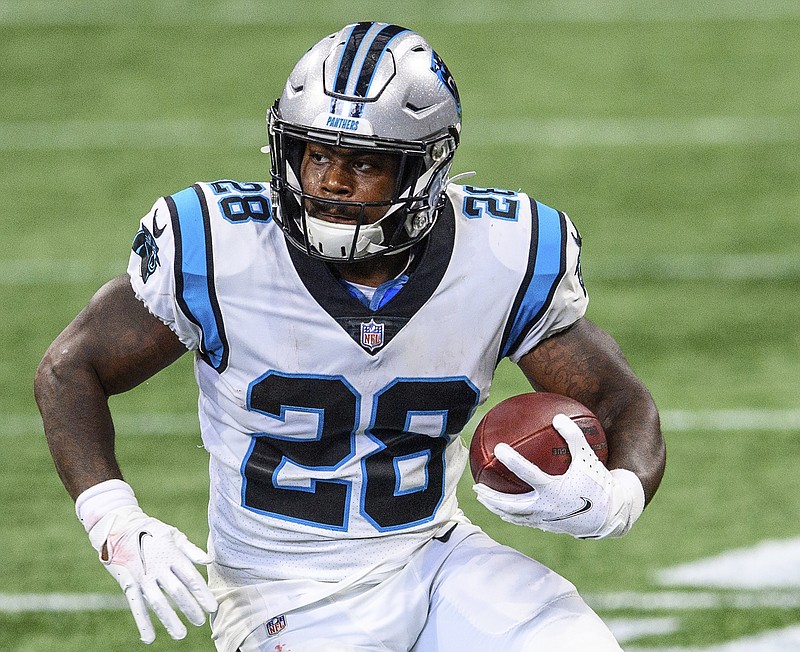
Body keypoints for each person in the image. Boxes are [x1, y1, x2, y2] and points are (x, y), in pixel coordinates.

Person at [34, 21, 665, 651]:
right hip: (282, 591)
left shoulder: (500, 254)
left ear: (424, 167)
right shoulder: (218, 249)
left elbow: (619, 397)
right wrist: (113, 518)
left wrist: (618, 496)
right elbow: (69, 369)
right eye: (317, 155)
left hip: (434, 556)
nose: (330, 182)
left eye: (362, 162)